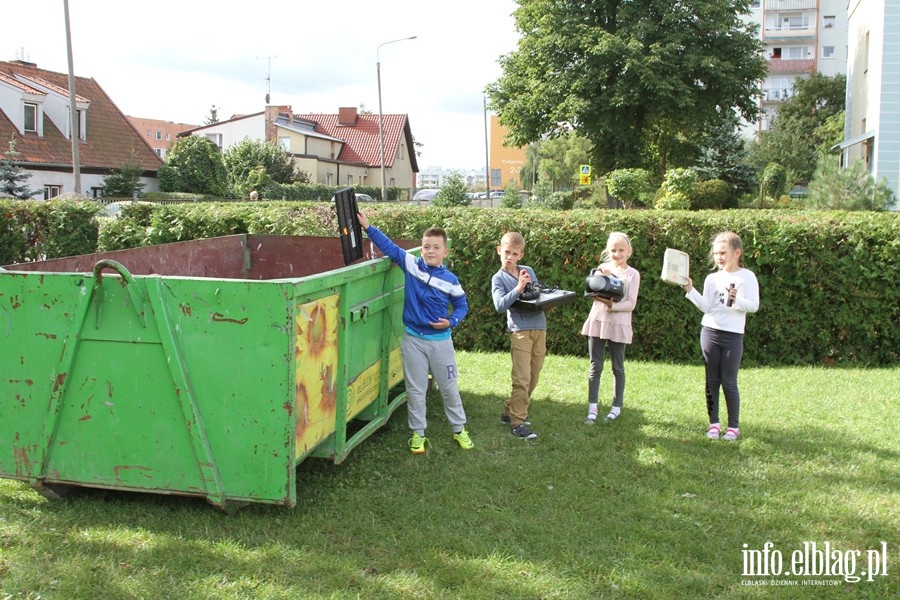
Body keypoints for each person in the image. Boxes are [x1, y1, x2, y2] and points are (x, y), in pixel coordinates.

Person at [356, 209, 474, 454]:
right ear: (421, 250)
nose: (430, 251)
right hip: (413, 340)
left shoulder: (451, 279)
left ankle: (459, 430)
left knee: (449, 387)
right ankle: (418, 434)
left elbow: (462, 305)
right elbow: (390, 248)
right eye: (426, 247)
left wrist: (451, 322)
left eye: (435, 247)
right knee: (416, 389)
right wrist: (368, 227)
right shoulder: (411, 265)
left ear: (445, 252)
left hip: (440, 343)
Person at [682, 231, 760, 441]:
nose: (719, 257)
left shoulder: (747, 277)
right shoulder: (712, 278)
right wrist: (690, 290)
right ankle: (714, 424)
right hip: (710, 332)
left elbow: (754, 305)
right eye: (716, 253)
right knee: (711, 380)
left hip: (733, 336)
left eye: (723, 253)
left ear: (737, 252)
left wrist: (736, 301)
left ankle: (733, 426)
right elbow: (707, 307)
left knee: (729, 380)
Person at [581, 232, 641, 424]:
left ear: (629, 252)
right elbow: (593, 289)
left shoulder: (633, 274)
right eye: (613, 250)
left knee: (618, 367)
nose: (617, 254)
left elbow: (630, 302)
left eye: (621, 250)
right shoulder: (601, 268)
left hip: (619, 324)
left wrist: (612, 305)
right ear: (607, 251)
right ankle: (592, 407)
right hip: (598, 321)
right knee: (595, 366)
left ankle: (616, 407)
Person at [491, 232, 544, 440]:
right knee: (521, 378)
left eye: (514, 253)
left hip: (539, 327)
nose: (510, 257)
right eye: (506, 252)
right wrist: (518, 289)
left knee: (533, 376)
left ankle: (509, 411)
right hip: (519, 330)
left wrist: (534, 289)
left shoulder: (527, 270)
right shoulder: (498, 278)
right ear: (499, 251)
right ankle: (517, 423)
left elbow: (537, 293)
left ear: (521, 255)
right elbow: (499, 305)